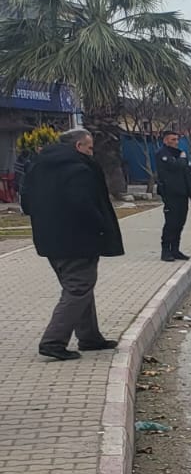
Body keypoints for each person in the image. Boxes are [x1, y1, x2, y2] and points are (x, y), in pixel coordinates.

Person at [21, 128, 124, 361]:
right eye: (89, 148)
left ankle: (89, 337)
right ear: (78, 146)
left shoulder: (38, 166)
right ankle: (53, 342)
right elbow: (84, 205)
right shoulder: (79, 169)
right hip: (78, 239)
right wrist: (101, 225)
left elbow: (26, 203)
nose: (91, 152)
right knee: (78, 288)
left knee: (79, 287)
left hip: (49, 239)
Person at [154, 129, 191, 261]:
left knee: (180, 223)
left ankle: (175, 250)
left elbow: (187, 175)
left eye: (177, 139)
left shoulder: (180, 154)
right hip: (170, 194)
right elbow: (174, 166)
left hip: (182, 194)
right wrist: (183, 160)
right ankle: (166, 251)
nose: (176, 142)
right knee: (171, 223)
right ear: (166, 140)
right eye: (173, 140)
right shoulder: (162, 154)